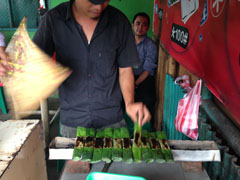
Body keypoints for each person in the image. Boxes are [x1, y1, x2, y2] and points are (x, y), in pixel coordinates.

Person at [132, 12, 158, 121]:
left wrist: (134, 84)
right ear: (133, 25)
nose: (140, 27)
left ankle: (142, 129)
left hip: (144, 79)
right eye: (137, 23)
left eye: (144, 25)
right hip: (128, 77)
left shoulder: (150, 45)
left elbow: (147, 70)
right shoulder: (126, 42)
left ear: (148, 27)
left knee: (147, 100)